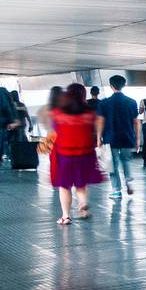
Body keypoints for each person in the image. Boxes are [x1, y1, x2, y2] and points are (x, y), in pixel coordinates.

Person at [47, 83, 102, 224]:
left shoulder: (58, 113)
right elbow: (94, 129)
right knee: (81, 183)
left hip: (64, 154)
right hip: (85, 154)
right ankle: (83, 205)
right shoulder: (89, 113)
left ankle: (65, 216)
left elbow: (54, 131)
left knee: (64, 186)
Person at [97, 75, 140, 198]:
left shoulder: (104, 103)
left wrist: (98, 138)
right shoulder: (131, 102)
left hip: (110, 138)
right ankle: (129, 180)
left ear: (111, 86)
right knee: (126, 161)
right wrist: (137, 139)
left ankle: (116, 190)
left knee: (113, 165)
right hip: (127, 137)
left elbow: (101, 121)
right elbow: (136, 122)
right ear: (124, 85)